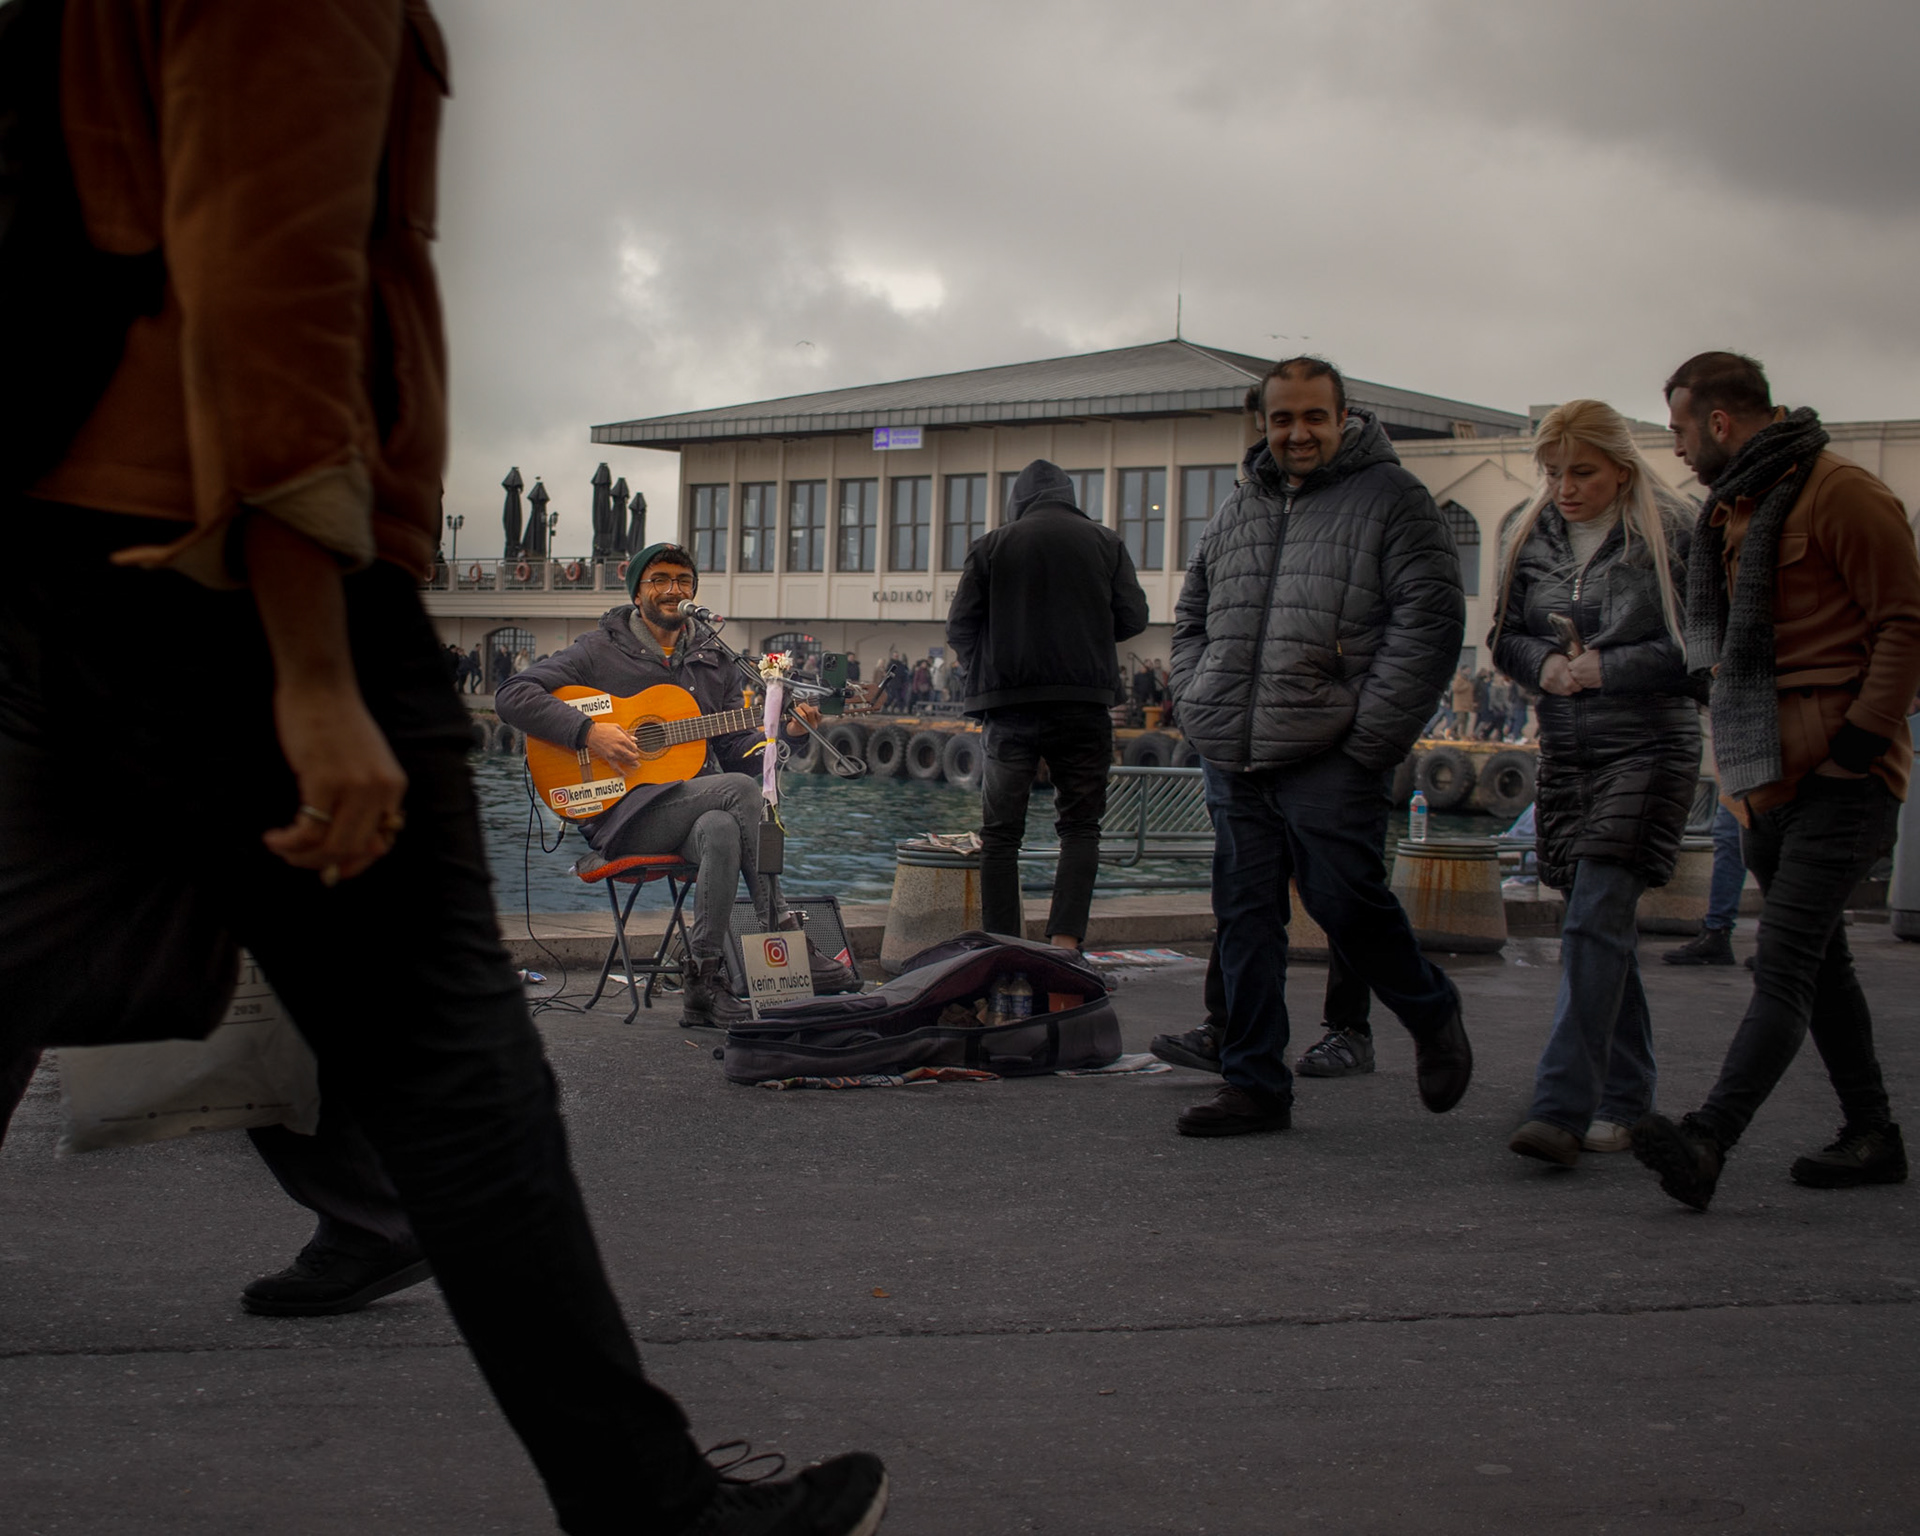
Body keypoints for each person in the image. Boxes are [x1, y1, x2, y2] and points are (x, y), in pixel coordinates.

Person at [0, 8, 886, 1533]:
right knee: (454, 1071)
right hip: (240, 574)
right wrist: (319, 668)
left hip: (61, 559)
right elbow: (271, 274)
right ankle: (648, 1506)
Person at [1632, 352, 1920, 1211]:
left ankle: (1708, 1137)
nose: (1677, 448)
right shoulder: (1734, 508)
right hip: (1763, 780)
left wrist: (1862, 743)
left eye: (1681, 429)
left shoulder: (1845, 495)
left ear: (1720, 422)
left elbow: (1905, 622)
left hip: (1842, 776)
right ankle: (1874, 1134)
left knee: (1784, 961)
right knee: (1821, 968)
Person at [1166, 356, 1472, 1137]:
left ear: (1344, 418)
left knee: (1346, 904)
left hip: (1332, 751)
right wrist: (1199, 695)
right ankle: (1255, 1082)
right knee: (1245, 918)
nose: (1297, 433)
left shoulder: (1395, 500)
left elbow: (1429, 624)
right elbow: (1193, 611)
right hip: (1235, 747)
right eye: (1281, 419)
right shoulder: (1242, 505)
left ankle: (1431, 1011)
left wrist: (1368, 740)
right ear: (1263, 422)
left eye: (1313, 417)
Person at [497, 545, 853, 1025]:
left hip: (688, 808)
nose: (673, 590)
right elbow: (512, 695)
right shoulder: (598, 650)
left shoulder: (714, 658)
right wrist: (590, 732)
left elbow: (734, 755)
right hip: (621, 816)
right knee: (738, 797)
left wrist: (782, 735)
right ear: (639, 591)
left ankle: (704, 983)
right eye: (659, 579)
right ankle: (784, 928)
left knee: (722, 828)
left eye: (683, 580)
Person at [1491, 401, 1701, 1167]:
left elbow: (1700, 649)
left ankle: (1560, 1107)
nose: (1565, 488)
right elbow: (1505, 636)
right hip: (1569, 752)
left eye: (1580, 472)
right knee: (1598, 927)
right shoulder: (1530, 534)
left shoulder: (1672, 534)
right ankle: (1626, 1097)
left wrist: (1607, 666)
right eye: (1553, 473)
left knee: (1591, 921)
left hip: (1649, 747)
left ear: (1621, 467)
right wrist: (1541, 665)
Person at [947, 459, 1148, 949]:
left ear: (1019, 499)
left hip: (1009, 706)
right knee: (1080, 827)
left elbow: (959, 629)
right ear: (1070, 495)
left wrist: (990, 663)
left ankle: (1003, 949)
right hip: (1084, 703)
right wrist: (1092, 636)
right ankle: (1064, 946)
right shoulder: (1106, 543)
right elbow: (1134, 617)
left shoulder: (991, 545)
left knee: (1000, 835)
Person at [1448, 666, 1475, 739]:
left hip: (1466, 704)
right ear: (1463, 670)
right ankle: (1449, 729)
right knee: (1460, 718)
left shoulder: (1467, 680)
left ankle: (1463, 734)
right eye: (1467, 670)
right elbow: (1455, 689)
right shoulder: (1459, 679)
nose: (1469, 672)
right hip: (1460, 703)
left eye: (1469, 670)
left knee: (1466, 719)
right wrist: (1465, 686)